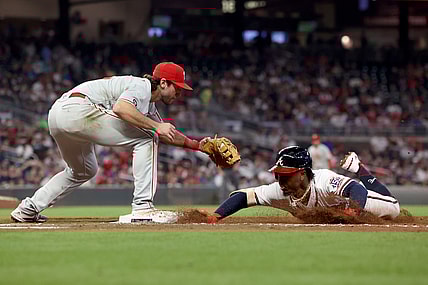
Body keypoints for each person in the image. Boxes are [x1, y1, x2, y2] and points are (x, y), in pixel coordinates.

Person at [11, 62, 210, 224]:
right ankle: (142, 207)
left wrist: (198, 145)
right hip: (79, 109)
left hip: (58, 114)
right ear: (164, 83)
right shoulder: (142, 86)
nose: (179, 94)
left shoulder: (147, 103)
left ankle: (28, 209)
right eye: (178, 88)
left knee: (83, 170)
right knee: (148, 136)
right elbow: (121, 108)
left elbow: (166, 133)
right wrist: (156, 127)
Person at [207, 146, 400, 223]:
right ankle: (358, 168)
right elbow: (243, 196)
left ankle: (359, 168)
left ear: (301, 174)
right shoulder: (279, 190)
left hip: (365, 203)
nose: (279, 180)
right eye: (277, 174)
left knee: (393, 206)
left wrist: (355, 212)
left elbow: (356, 189)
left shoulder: (323, 180)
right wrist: (216, 216)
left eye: (285, 175)